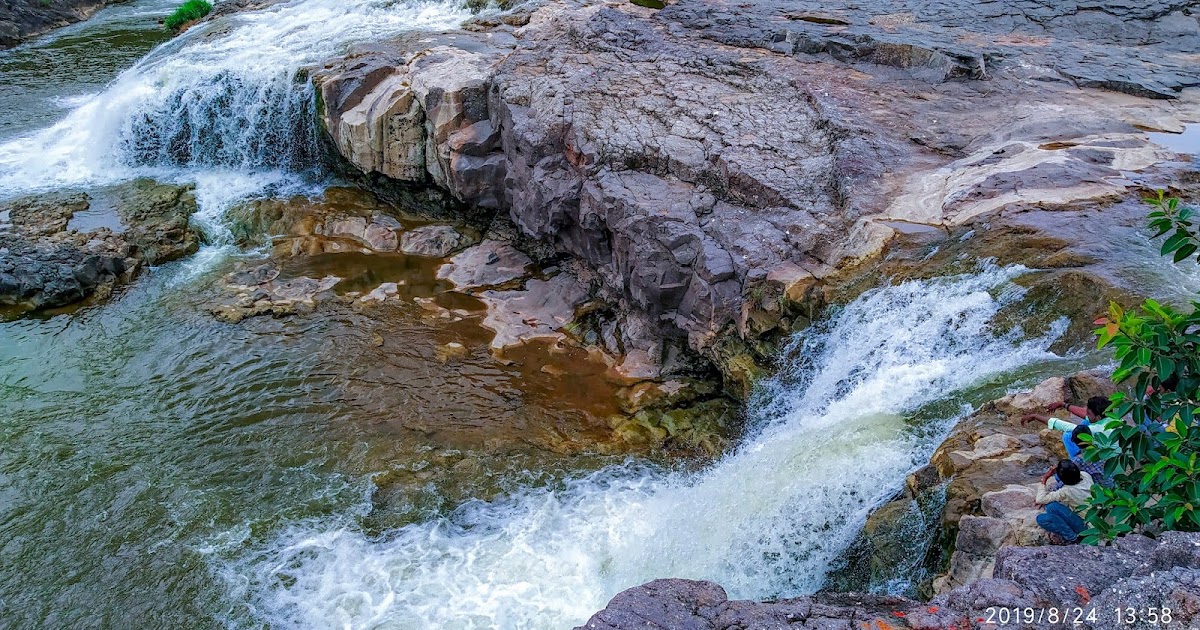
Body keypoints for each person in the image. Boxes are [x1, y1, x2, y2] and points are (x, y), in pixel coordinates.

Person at [1020, 396, 1111, 458]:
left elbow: (1065, 426)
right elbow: (1084, 414)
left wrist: (1036, 416)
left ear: (1098, 417)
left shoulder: (1096, 430)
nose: (1086, 414)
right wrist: (1063, 405)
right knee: (1085, 421)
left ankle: (1077, 461)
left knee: (1068, 435)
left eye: (1089, 413)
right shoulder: (1112, 418)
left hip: (1107, 462)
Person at [1035, 459, 1094, 544]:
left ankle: (1073, 538)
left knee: (1041, 518)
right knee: (1051, 507)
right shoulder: (1086, 475)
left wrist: (1044, 478)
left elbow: (1040, 499)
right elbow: (1070, 474)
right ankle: (1074, 535)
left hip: (1087, 527)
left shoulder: (1066, 491)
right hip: (1096, 519)